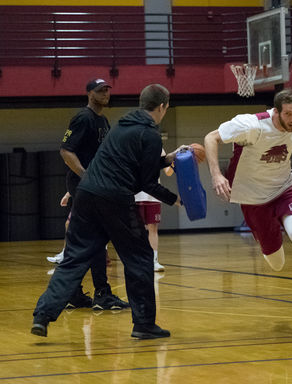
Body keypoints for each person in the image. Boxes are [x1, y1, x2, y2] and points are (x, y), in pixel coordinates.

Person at [31, 83, 183, 340]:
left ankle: (42, 317)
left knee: (74, 259)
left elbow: (131, 165)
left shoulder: (121, 126)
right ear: (162, 106)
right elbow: (146, 183)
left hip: (87, 194)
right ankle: (144, 324)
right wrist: (176, 199)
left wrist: (166, 160)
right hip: (114, 198)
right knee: (139, 257)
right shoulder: (150, 135)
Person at [203, 87, 292, 331]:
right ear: (276, 112)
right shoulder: (251, 125)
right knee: (276, 264)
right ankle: (268, 237)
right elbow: (210, 138)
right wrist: (217, 175)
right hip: (252, 200)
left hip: (284, 189)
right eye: (288, 114)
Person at [47, 77, 129, 311]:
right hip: (87, 187)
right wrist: (86, 177)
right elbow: (65, 151)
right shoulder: (83, 118)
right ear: (90, 94)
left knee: (86, 240)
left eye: (107, 90)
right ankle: (101, 293)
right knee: (96, 239)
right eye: (100, 90)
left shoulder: (102, 120)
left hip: (96, 186)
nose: (105, 94)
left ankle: (74, 292)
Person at [135, 149, 171, 272]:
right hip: (135, 194)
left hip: (154, 195)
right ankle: (138, 260)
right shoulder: (132, 144)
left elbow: (168, 171)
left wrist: (177, 161)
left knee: (153, 228)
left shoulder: (158, 147)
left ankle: (154, 260)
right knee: (136, 230)